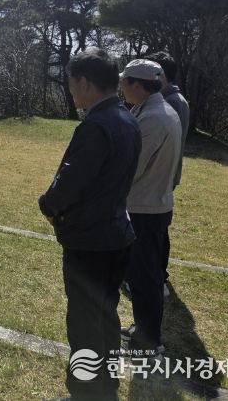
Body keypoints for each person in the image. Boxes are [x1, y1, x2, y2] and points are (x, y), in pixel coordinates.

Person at [38, 48, 141, 401]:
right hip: (117, 233)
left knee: (84, 322)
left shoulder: (97, 126)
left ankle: (84, 392)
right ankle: (106, 384)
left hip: (91, 240)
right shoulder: (127, 118)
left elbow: (70, 182)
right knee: (106, 314)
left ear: (84, 82)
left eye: (70, 83)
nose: (70, 91)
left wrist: (48, 206)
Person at [120, 59, 182, 356]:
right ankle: (143, 329)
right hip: (152, 205)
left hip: (145, 209)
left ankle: (149, 342)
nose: (121, 87)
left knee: (144, 279)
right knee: (143, 277)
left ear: (137, 85)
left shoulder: (154, 117)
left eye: (125, 82)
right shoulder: (155, 110)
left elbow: (133, 167)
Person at [145, 52, 190, 296]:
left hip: (161, 175)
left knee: (156, 230)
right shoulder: (172, 99)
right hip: (164, 175)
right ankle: (157, 275)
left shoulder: (172, 102)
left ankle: (158, 277)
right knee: (157, 229)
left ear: (161, 75)